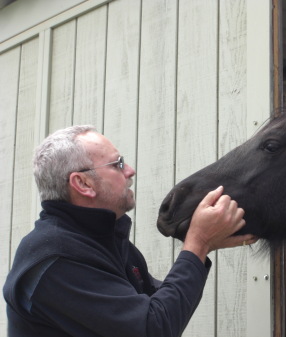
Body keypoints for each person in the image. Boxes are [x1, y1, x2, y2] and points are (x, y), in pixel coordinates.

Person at [3, 125, 257, 337]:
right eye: (118, 164)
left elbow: (161, 306)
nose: (130, 171)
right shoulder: (55, 259)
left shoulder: (102, 240)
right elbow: (153, 327)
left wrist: (204, 244)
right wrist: (198, 243)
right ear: (82, 183)